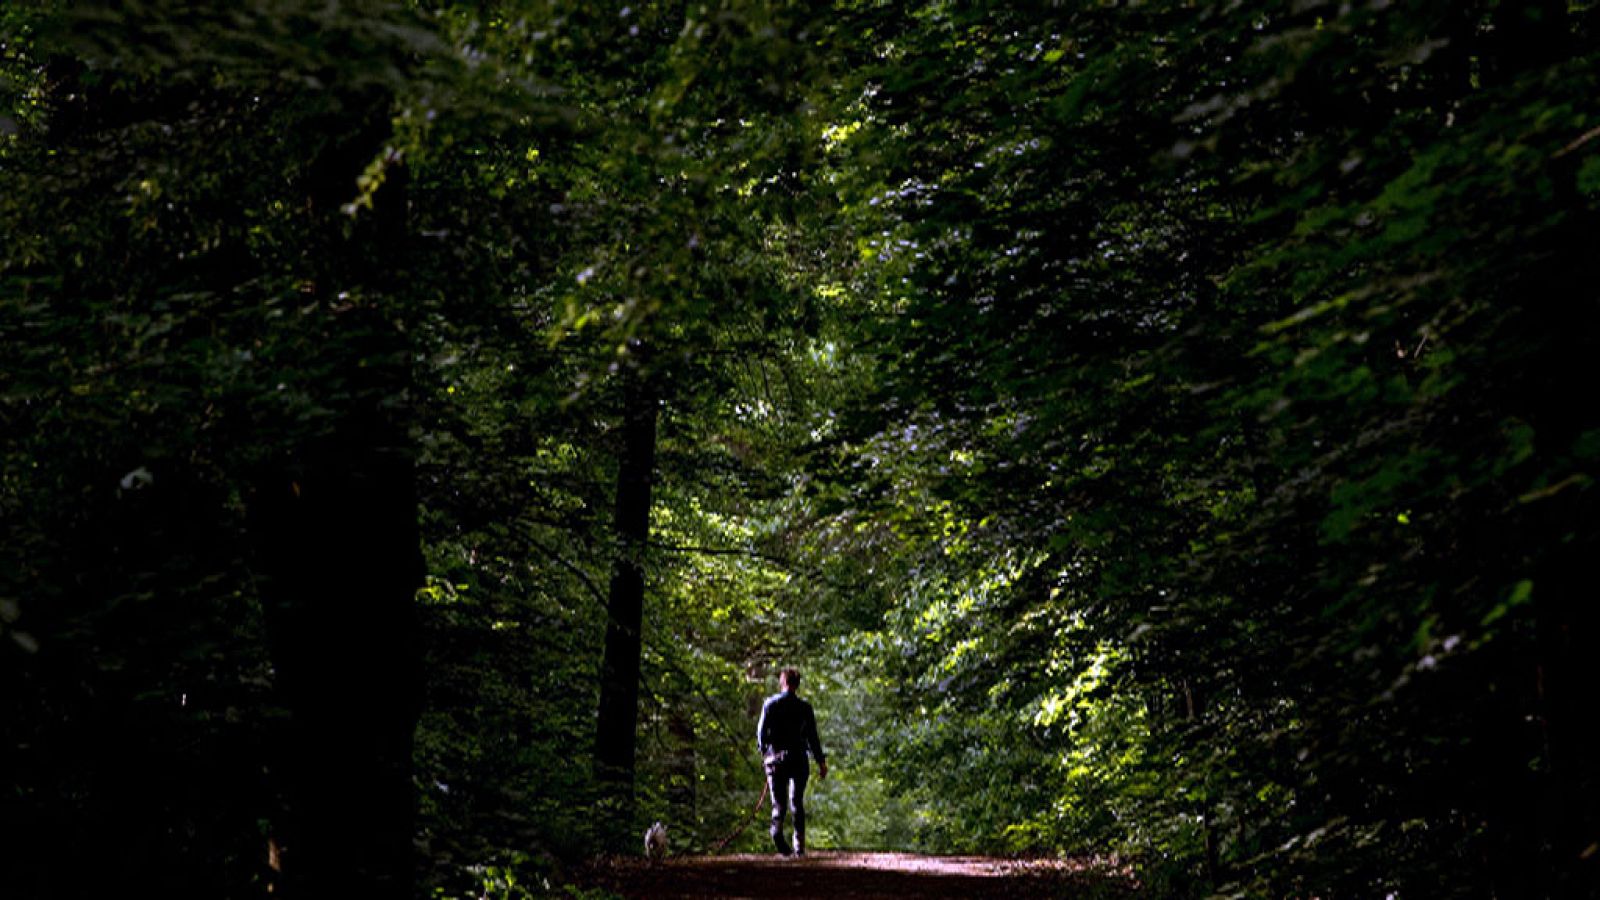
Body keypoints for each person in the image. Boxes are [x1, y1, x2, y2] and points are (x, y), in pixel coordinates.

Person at [756, 667, 827, 857]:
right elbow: (812, 738)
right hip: (798, 760)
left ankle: (777, 835)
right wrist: (821, 761)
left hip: (776, 760)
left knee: (779, 803)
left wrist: (765, 753)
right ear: (797, 684)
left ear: (782, 682)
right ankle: (799, 846)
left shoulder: (770, 704)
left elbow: (761, 735)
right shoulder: (805, 708)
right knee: (796, 802)